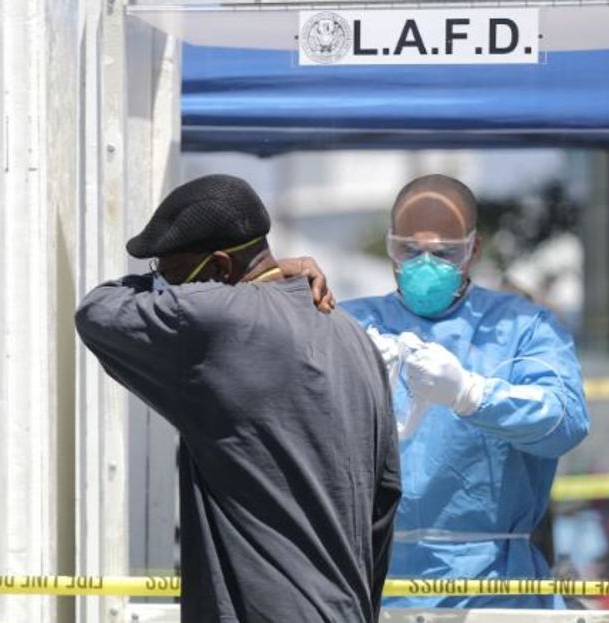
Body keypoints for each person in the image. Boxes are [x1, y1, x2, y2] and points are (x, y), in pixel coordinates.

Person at [76, 174, 401, 623]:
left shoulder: (215, 321)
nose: (166, 290)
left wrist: (179, 291)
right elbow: (384, 498)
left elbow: (96, 311)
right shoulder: (352, 336)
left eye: (169, 277)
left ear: (221, 269)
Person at [340, 174, 589, 609]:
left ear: (474, 249)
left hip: (490, 588)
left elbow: (565, 421)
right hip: (372, 581)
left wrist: (472, 395)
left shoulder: (523, 327)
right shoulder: (348, 325)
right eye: (409, 250)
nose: (424, 264)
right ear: (389, 245)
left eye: (444, 252)